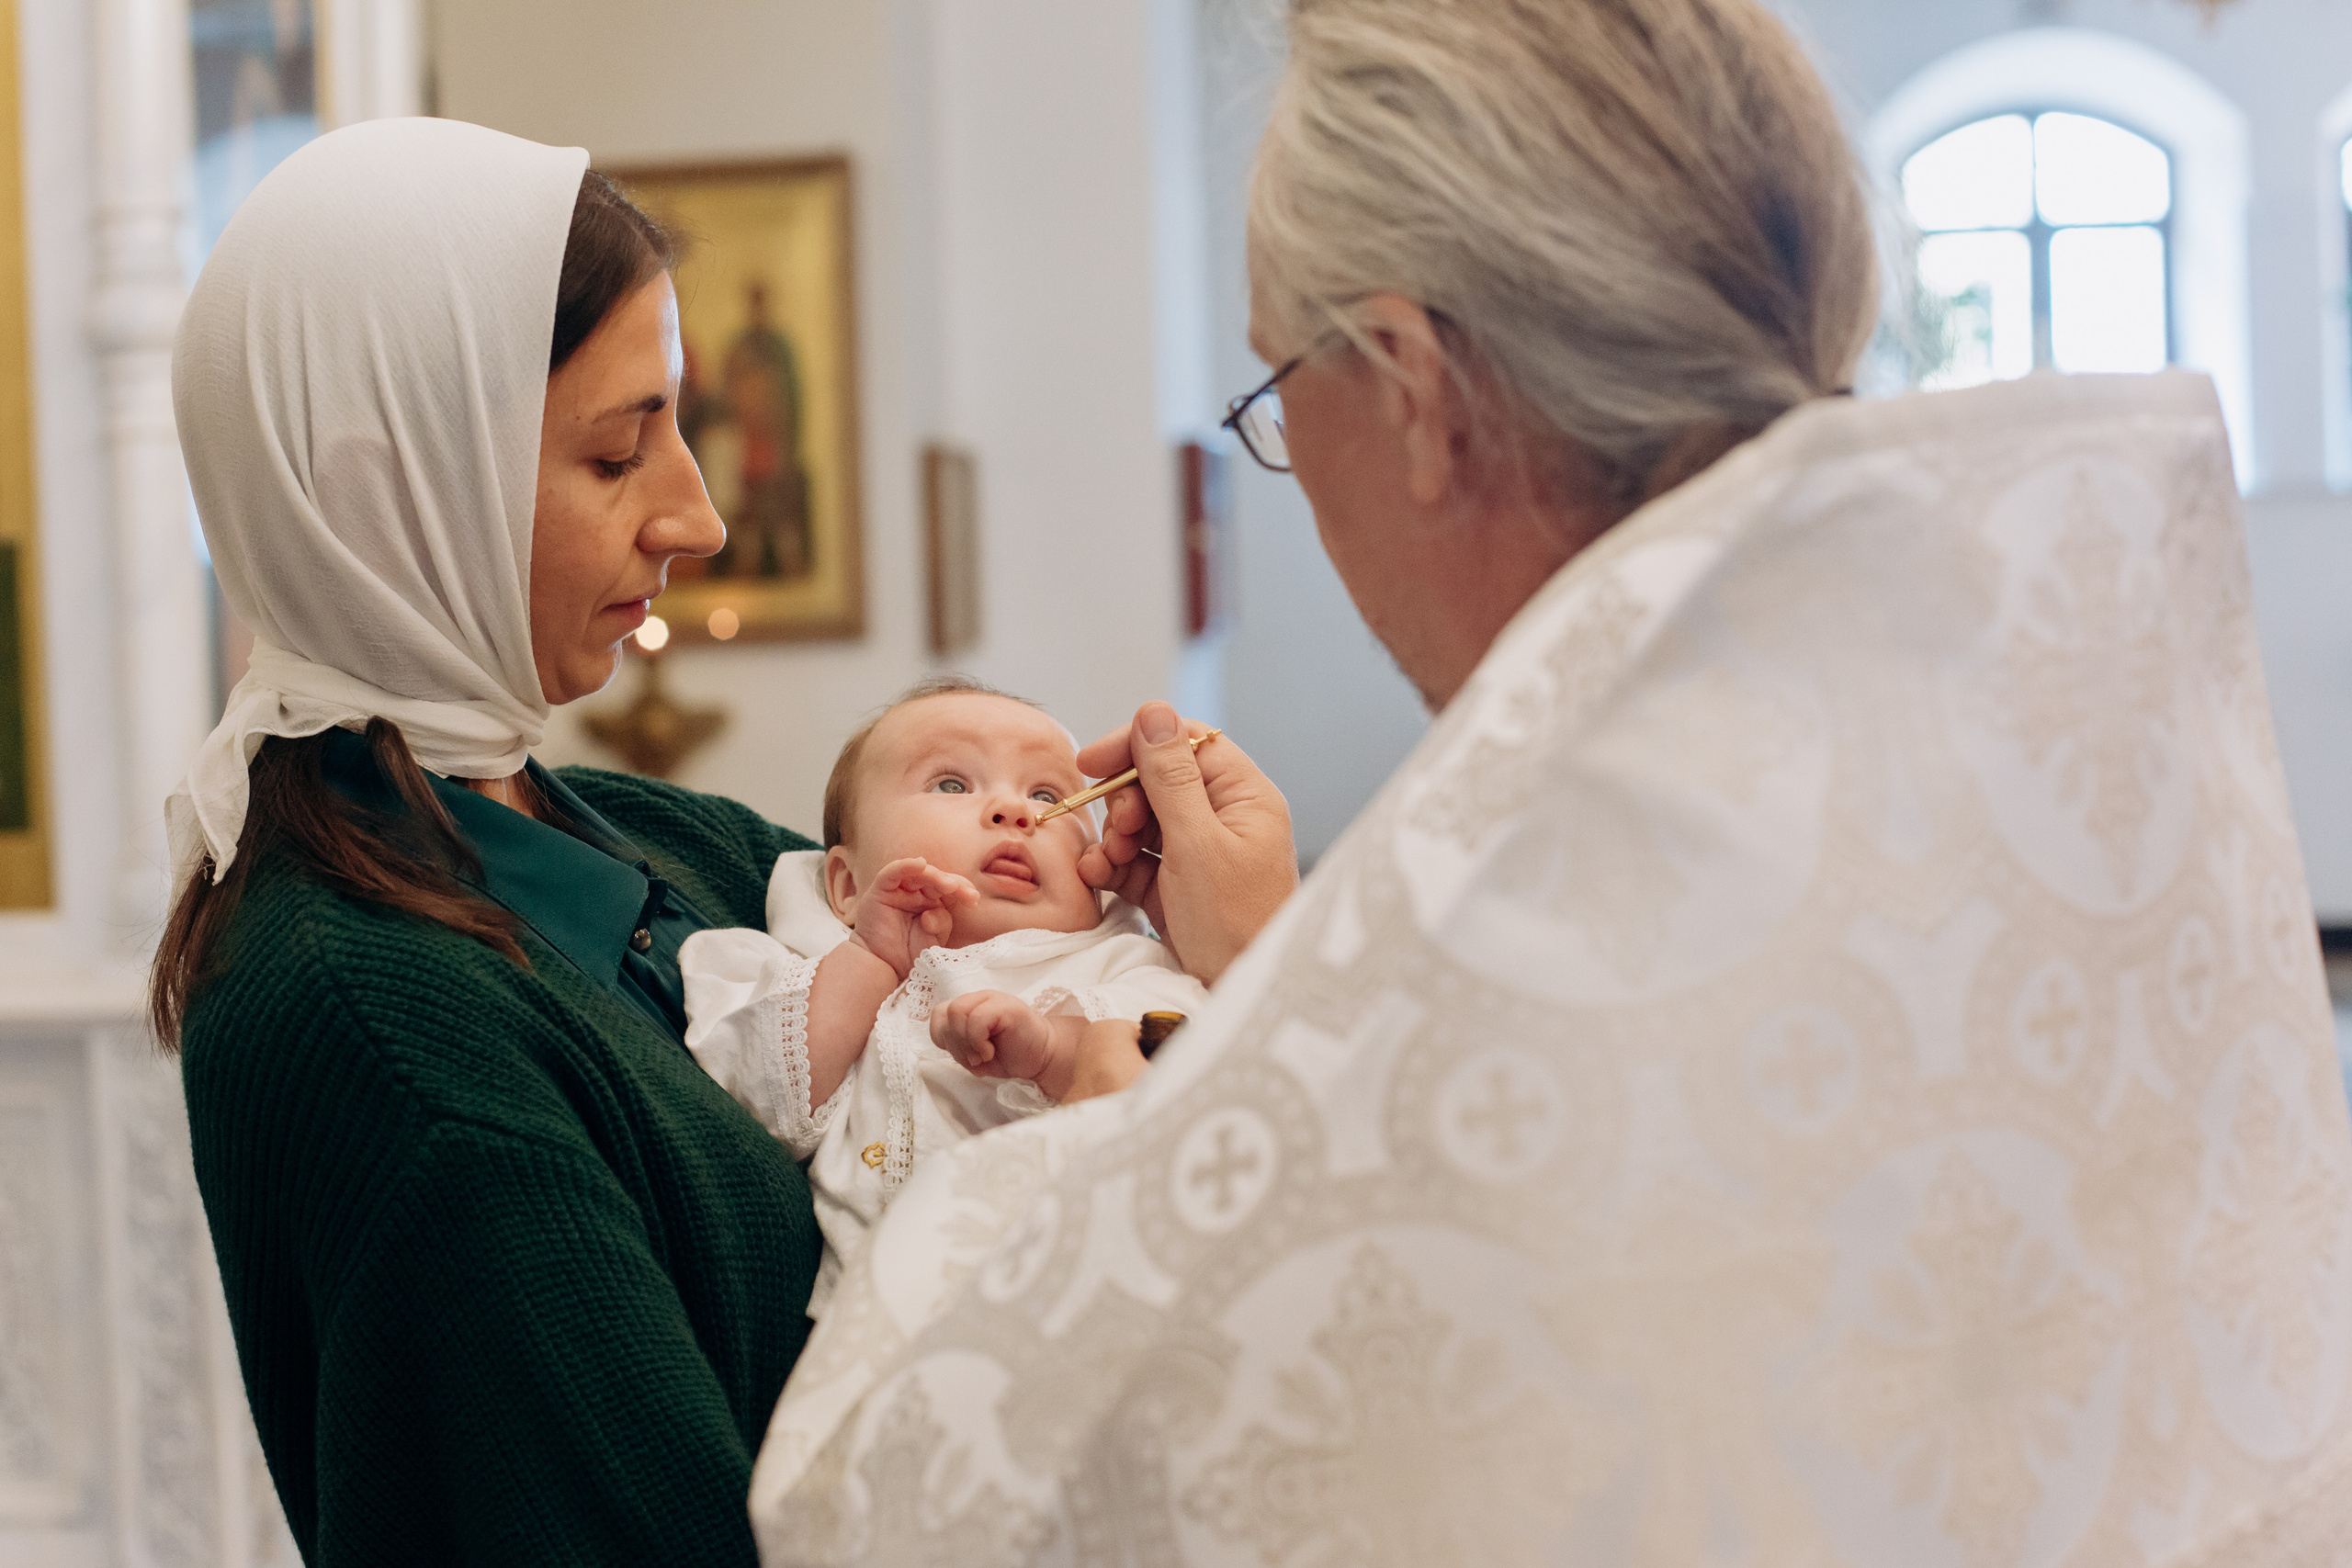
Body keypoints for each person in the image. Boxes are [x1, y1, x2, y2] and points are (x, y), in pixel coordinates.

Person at [749, 0, 2352, 1562]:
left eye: (1276, 391)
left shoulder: (1519, 929)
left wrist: (1148, 1094)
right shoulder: (2068, 726)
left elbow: (901, 1501)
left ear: (1415, 388)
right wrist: (1271, 972)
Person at [154, 119, 828, 1566]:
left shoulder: (643, 836)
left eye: (678, 429)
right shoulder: (387, 1029)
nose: (697, 517)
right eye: (614, 451)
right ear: (382, 487)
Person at [677, 676, 1208, 1316]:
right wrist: (870, 962)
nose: (1013, 810)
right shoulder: (802, 969)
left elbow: (1180, 1063)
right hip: (879, 1336)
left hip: (1080, 1298)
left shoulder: (1122, 960)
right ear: (845, 886)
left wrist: (1051, 1047)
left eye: (1048, 794)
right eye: (952, 784)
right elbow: (754, 1102)